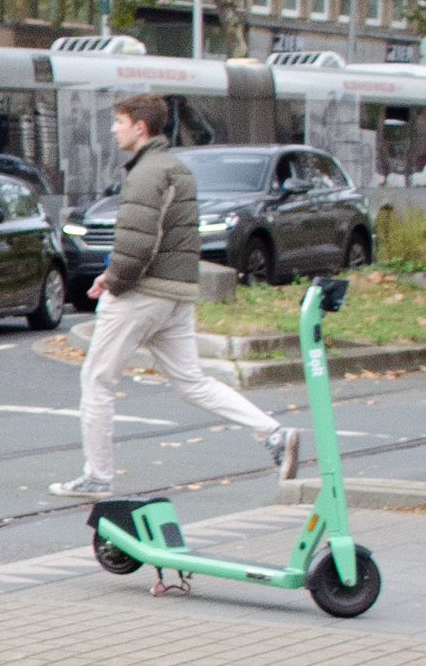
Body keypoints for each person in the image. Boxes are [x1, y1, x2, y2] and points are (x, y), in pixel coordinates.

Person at [53, 95, 300, 501]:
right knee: (192, 381)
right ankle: (273, 433)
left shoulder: (145, 173)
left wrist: (113, 282)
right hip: (176, 294)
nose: (114, 129)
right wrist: (112, 275)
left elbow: (137, 243)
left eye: (119, 122)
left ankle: (97, 475)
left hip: (142, 294)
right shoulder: (176, 168)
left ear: (140, 128)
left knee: (96, 379)